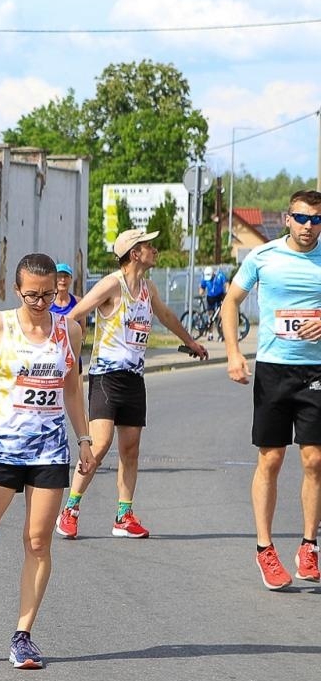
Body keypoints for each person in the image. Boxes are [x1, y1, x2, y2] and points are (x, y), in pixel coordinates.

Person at [0, 253, 95, 669]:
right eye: (32, 294)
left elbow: (71, 387)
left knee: (37, 542)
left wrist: (83, 438)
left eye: (48, 294)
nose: (41, 301)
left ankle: (23, 636)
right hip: (1, 449)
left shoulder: (70, 330)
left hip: (49, 450)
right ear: (17, 290)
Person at [55, 229, 207, 541]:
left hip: (134, 377)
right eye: (149, 246)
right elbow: (75, 313)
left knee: (131, 448)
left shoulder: (148, 288)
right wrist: (58, 346)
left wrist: (189, 341)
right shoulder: (113, 284)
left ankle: (123, 515)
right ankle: (70, 510)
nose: (155, 250)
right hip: (107, 375)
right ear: (134, 253)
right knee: (99, 445)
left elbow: (164, 315)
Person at [222, 189, 321, 590]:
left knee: (314, 460)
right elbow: (231, 302)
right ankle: (265, 548)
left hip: (315, 369)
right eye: (302, 218)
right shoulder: (263, 257)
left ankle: (309, 545)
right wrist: (233, 352)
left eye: (316, 220)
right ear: (287, 218)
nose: (308, 227)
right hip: (273, 371)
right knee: (272, 459)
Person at [201, 265, 228, 333]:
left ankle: (221, 332)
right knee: (210, 316)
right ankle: (210, 333)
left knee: (220, 315)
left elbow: (226, 283)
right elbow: (202, 287)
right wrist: (201, 293)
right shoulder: (205, 279)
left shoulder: (220, 276)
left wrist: (227, 291)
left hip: (220, 296)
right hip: (210, 297)